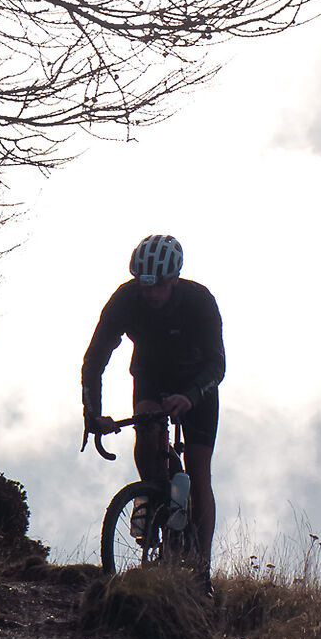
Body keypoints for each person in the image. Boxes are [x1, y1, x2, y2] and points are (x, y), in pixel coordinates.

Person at [82, 233, 224, 589]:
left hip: (197, 384)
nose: (151, 293)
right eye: (144, 285)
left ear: (174, 279)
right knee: (146, 429)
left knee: (198, 472)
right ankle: (150, 493)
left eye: (158, 285)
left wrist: (191, 397)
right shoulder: (125, 301)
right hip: (151, 376)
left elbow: (217, 365)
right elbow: (94, 360)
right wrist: (92, 414)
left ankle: (201, 569)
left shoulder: (199, 301)